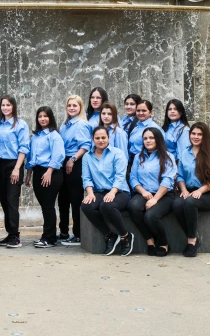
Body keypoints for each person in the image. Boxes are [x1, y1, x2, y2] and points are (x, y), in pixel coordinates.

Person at [172, 122, 210, 257]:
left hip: (208, 194)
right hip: (188, 190)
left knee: (189, 202)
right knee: (177, 204)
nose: (195, 136)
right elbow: (180, 175)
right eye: (193, 134)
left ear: (205, 136)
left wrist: (200, 191)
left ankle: (191, 241)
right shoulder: (185, 153)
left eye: (199, 134)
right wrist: (183, 190)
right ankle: (194, 236)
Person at [80, 127, 134, 256]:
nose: (100, 140)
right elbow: (86, 178)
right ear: (93, 139)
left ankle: (125, 236)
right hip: (99, 192)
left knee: (107, 205)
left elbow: (120, 176)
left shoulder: (117, 153)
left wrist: (112, 192)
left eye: (103, 137)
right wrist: (90, 193)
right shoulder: (87, 156)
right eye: (97, 138)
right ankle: (109, 235)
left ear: (108, 138)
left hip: (120, 192)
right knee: (86, 206)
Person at [127, 129, 177, 257]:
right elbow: (133, 177)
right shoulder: (139, 157)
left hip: (163, 195)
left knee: (150, 216)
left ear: (158, 139)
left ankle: (164, 243)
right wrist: (143, 192)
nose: (148, 141)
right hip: (144, 193)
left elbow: (168, 179)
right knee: (133, 207)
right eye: (145, 138)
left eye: (151, 138)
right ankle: (150, 241)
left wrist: (155, 199)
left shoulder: (167, 156)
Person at [24, 106, 65, 248]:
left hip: (51, 173)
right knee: (45, 207)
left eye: (45, 116)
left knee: (48, 207)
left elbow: (58, 155)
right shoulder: (35, 136)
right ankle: (47, 236)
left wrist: (49, 172)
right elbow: (31, 157)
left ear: (51, 118)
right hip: (38, 172)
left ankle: (49, 238)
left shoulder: (54, 135)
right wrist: (28, 173)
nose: (42, 119)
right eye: (40, 116)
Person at [0, 95, 30, 248]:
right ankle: (9, 233)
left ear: (13, 106)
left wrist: (17, 168)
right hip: (0, 164)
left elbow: (24, 148)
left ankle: (15, 236)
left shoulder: (20, 124)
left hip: (14, 165)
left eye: (8, 105)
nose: (6, 108)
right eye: (3, 105)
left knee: (12, 200)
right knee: (3, 200)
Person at [58, 95, 92, 246]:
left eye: (75, 106)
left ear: (80, 108)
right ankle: (64, 232)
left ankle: (78, 234)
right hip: (63, 162)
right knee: (63, 199)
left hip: (75, 162)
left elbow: (86, 146)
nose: (72, 108)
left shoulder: (82, 124)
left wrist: (72, 160)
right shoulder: (65, 125)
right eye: (69, 105)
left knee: (75, 199)